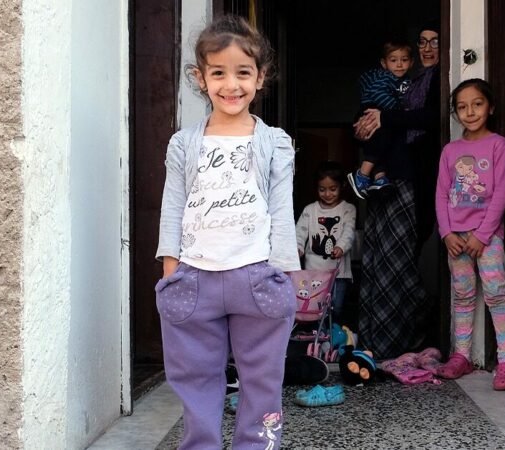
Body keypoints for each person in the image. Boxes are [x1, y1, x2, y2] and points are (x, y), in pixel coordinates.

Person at [154, 15, 299, 449]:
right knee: (194, 379)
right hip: (193, 279)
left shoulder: (274, 142)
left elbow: (281, 210)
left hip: (257, 278)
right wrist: (170, 273)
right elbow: (173, 207)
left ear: (261, 76)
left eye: (243, 73)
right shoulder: (184, 142)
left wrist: (284, 276)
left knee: (263, 380)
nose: (231, 85)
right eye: (218, 73)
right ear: (200, 77)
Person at [352, 22, 441, 359]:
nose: (428, 48)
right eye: (423, 42)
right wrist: (364, 124)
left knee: (399, 263)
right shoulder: (402, 84)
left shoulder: (438, 80)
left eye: (435, 41)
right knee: (378, 259)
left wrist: (385, 119)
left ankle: (408, 339)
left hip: (413, 182)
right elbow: (370, 116)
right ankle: (374, 342)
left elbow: (431, 118)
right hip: (387, 182)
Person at [434, 78, 505, 390]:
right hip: (456, 239)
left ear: (491, 107)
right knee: (463, 295)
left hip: (488, 237)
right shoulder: (450, 151)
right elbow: (442, 195)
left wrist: (482, 235)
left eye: (477, 104)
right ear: (456, 114)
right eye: (462, 107)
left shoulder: (498, 146)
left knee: (497, 293)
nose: (469, 111)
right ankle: (461, 356)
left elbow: (502, 194)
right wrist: (446, 233)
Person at [347, 40, 413, 199]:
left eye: (404, 60)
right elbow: (377, 93)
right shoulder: (384, 77)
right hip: (371, 110)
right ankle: (362, 174)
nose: (399, 64)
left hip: (384, 114)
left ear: (411, 63)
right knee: (381, 139)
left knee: (385, 142)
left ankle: (379, 177)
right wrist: (397, 111)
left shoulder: (406, 81)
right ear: (384, 63)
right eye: (393, 60)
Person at [296, 161, 356, 323]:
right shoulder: (310, 210)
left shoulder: (348, 209)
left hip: (339, 273)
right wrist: (298, 248)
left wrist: (341, 246)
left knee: (336, 308)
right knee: (315, 309)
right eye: (322, 189)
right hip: (314, 273)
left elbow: (348, 232)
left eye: (333, 189)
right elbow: (299, 232)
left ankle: (334, 337)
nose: (327, 194)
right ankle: (319, 337)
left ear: (342, 186)